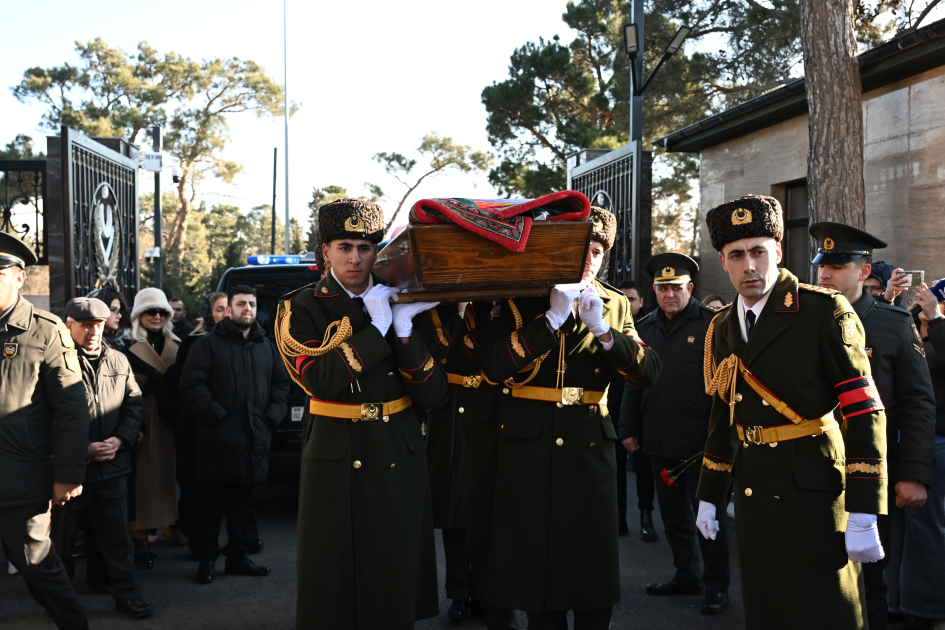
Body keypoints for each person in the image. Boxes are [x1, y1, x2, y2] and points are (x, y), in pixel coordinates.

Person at [694, 195, 887, 629]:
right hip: (754, 490)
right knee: (768, 607)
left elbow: (864, 409)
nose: (749, 266)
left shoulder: (822, 311)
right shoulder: (723, 325)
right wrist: (709, 492)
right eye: (737, 255)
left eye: (759, 252)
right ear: (722, 261)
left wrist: (864, 507)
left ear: (778, 253)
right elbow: (724, 415)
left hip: (815, 492)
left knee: (826, 611)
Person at [480, 207, 663, 629]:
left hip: (588, 444)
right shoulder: (519, 296)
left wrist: (603, 332)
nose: (588, 258)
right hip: (528, 445)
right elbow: (492, 366)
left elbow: (648, 373)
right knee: (536, 567)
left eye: (597, 250)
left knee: (591, 562)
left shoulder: (614, 303)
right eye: (580, 247)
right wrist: (549, 320)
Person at [275, 198, 448, 629]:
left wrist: (404, 331)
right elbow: (320, 379)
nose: (356, 257)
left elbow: (434, 395)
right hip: (337, 445)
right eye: (345, 246)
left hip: (396, 443)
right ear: (325, 251)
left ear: (378, 250)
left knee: (394, 567)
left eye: (366, 247)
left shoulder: (405, 299)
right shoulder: (300, 307)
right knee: (332, 570)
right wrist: (377, 330)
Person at [810, 222, 937, 630]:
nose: (824, 274)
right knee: (812, 577)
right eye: (820, 265)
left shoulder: (893, 323)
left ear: (864, 272)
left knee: (871, 586)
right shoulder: (804, 319)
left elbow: (918, 403)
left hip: (871, 471)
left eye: (836, 265)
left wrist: (915, 473)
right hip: (810, 470)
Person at [620, 253, 730, 615]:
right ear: (654, 290)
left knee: (707, 519)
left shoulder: (713, 324)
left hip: (702, 444)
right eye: (663, 288)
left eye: (677, 288)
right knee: (674, 519)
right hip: (660, 438)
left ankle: (717, 586)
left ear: (690, 289)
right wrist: (629, 429)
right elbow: (634, 384)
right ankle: (686, 574)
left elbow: (727, 384)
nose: (670, 295)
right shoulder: (646, 327)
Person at [0, 231, 90, 630]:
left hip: (20, 480)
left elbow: (72, 410)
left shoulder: (45, 331)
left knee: (39, 570)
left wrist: (68, 474)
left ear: (19, 277)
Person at [180, 285, 289, 584]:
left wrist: (271, 417)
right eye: (241, 304)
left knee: (243, 505)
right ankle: (207, 561)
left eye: (251, 304)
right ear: (228, 309)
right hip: (218, 441)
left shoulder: (266, 346)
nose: (247, 309)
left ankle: (238, 558)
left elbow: (281, 384)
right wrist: (215, 413)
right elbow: (191, 386)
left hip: (254, 440)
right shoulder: (208, 345)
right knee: (211, 508)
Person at [51, 297, 151, 619]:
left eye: (98, 324)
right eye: (85, 325)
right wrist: (83, 448)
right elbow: (44, 416)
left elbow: (134, 405)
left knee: (117, 538)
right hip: (71, 471)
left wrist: (120, 440)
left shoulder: (119, 361)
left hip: (113, 468)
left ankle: (127, 595)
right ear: (69, 325)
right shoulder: (54, 362)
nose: (93, 331)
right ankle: (61, 604)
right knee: (62, 542)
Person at [445, 300, 522, 630]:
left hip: (508, 413)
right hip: (464, 415)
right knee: (460, 510)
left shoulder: (517, 307)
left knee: (501, 516)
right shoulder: (452, 311)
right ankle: (463, 594)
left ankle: (494, 598)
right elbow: (455, 359)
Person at [887, 284, 945, 628]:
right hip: (901, 437)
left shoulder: (939, 330)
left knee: (928, 528)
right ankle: (898, 600)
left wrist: (936, 321)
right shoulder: (912, 326)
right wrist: (902, 307)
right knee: (899, 526)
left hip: (937, 440)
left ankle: (932, 609)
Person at [124, 288, 180, 569]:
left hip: (169, 422)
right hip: (140, 422)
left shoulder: (178, 345)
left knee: (163, 481)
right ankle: (139, 538)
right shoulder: (125, 347)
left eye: (162, 312)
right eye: (150, 311)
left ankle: (157, 531)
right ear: (138, 316)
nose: (157, 316)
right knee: (141, 484)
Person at [173, 291, 228, 550]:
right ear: (209, 312)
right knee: (197, 486)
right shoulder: (195, 341)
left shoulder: (242, 339)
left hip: (227, 428)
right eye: (219, 309)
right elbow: (187, 387)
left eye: (229, 308)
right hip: (197, 426)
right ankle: (195, 539)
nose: (225, 314)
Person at [613, 280, 655, 540]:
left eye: (632, 299)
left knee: (644, 467)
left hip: (642, 410)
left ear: (641, 302)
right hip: (613, 408)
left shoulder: (649, 329)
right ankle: (618, 517)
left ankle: (646, 516)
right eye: (623, 298)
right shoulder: (607, 326)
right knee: (615, 467)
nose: (627, 304)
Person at [88, 287, 132, 351]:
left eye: (119, 311)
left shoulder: (123, 341)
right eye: (113, 310)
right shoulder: (91, 343)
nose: (119, 316)